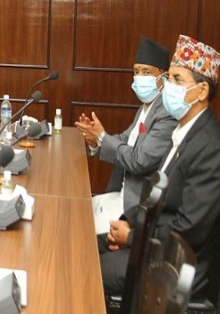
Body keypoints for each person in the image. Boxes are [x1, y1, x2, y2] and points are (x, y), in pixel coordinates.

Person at [99, 34, 220, 302]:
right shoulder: (182, 131)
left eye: (177, 80)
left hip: (172, 266)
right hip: (149, 240)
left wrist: (132, 237)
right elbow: (154, 196)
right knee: (86, 242)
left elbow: (188, 232)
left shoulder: (211, 147)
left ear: (202, 92)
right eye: (169, 78)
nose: (168, 87)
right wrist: (128, 220)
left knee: (88, 266)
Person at [75, 37, 177, 234]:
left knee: (81, 232)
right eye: (136, 71)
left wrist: (102, 137)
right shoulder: (147, 107)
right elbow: (125, 139)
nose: (139, 77)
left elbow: (140, 160)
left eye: (146, 72)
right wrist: (95, 140)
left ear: (163, 77)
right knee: (77, 209)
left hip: (133, 208)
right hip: (120, 196)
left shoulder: (166, 114)